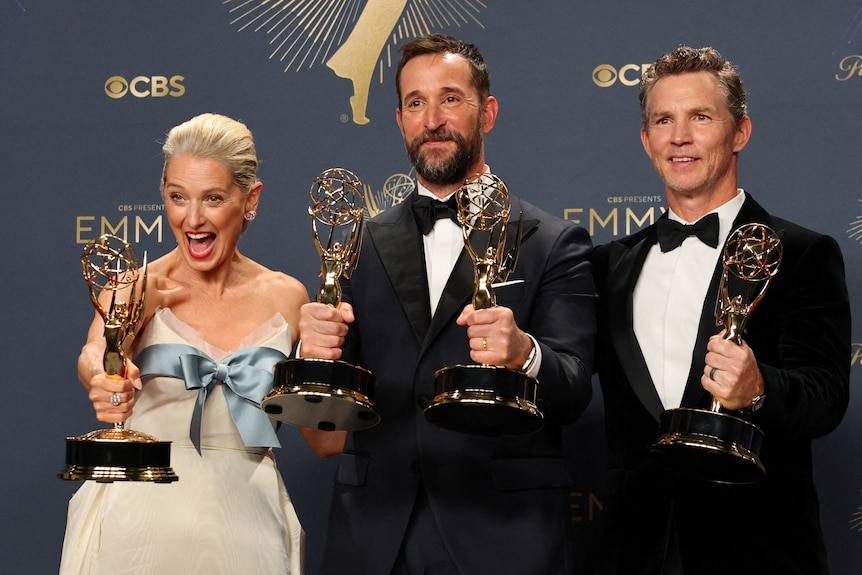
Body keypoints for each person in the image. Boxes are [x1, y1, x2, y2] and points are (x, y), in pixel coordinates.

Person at [298, 34, 596, 575]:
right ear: (398, 118)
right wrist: (313, 354)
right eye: (416, 102)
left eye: (451, 99)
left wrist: (524, 354)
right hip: (375, 536)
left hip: (505, 538)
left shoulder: (552, 241)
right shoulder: (355, 244)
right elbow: (326, 426)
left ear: (489, 112)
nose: (432, 118)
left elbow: (574, 390)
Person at [591, 46, 850, 575]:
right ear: (646, 140)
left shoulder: (802, 252)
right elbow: (566, 379)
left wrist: (759, 389)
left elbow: (826, 397)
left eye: (700, 117)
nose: (679, 136)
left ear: (740, 133)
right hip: (632, 551)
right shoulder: (604, 266)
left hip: (757, 550)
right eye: (663, 120)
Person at [60, 113, 308, 574]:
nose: (192, 219)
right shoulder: (136, 288)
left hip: (248, 523)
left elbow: (324, 438)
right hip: (139, 521)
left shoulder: (288, 297)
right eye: (178, 197)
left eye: (213, 198)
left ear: (250, 199)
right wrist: (101, 376)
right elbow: (97, 353)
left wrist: (323, 360)